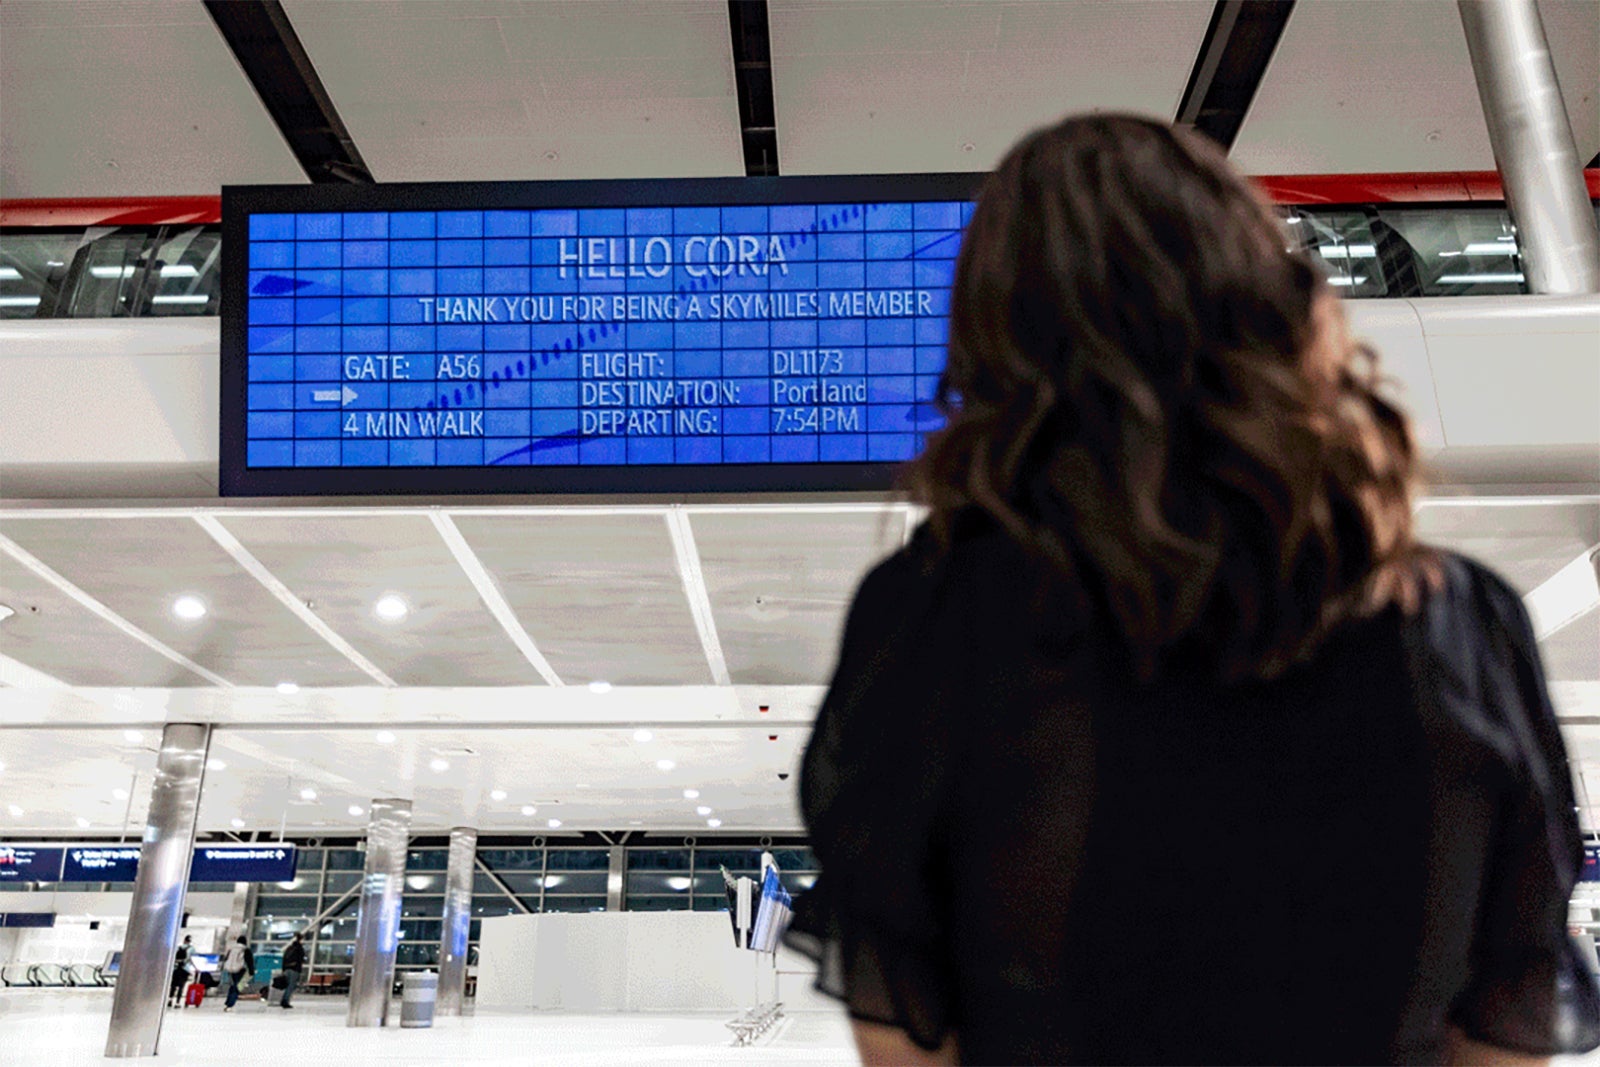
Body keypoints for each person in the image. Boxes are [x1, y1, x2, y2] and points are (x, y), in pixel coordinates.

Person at [783, 113, 1600, 1066]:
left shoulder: (932, 613)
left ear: (998, 334)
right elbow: (1505, 1021)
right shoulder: (1460, 622)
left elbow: (909, 1038)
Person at [221, 935, 254, 1013]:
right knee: (237, 987)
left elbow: (226, 959)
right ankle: (230, 1004)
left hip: (230, 969)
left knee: (232, 986)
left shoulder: (231, 949)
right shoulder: (245, 949)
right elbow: (250, 961)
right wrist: (251, 971)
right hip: (240, 970)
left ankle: (228, 1002)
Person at [279, 931, 305, 1009]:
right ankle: (285, 1001)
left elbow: (284, 959)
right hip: (295, 969)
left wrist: (283, 969)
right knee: (291, 986)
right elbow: (300, 960)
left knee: (286, 985)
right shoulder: (299, 948)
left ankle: (283, 999)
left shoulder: (289, 948)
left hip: (287, 969)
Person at [166, 935, 192, 1009]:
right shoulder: (192, 949)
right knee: (181, 987)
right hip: (185, 970)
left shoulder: (177, 947)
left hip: (176, 969)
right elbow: (191, 959)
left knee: (173, 986)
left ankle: (170, 1000)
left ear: (184, 940)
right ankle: (178, 1002)